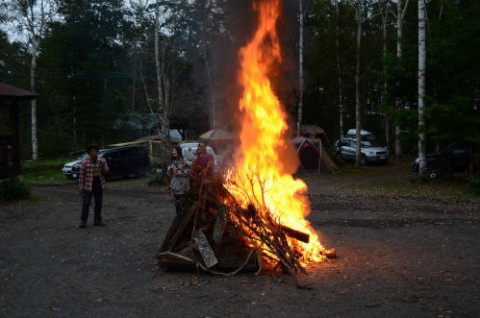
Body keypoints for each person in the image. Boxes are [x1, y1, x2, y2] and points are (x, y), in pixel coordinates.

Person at [78, 145, 109, 228]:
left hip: (99, 185)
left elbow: (106, 171)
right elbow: (81, 175)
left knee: (99, 203)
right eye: (92, 151)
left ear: (97, 152)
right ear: (89, 153)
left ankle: (98, 220)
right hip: (88, 186)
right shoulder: (85, 162)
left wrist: (102, 166)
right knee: (86, 204)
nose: (94, 153)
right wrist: (81, 186)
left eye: (95, 151)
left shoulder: (102, 160)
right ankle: (83, 221)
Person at [166, 145, 190, 214]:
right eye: (172, 151)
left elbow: (189, 171)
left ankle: (183, 220)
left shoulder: (184, 160)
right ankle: (179, 219)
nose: (173, 152)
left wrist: (179, 172)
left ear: (178, 151)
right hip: (175, 186)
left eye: (175, 151)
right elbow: (168, 174)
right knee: (177, 206)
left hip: (182, 186)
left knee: (182, 205)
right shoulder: (171, 162)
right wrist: (169, 171)